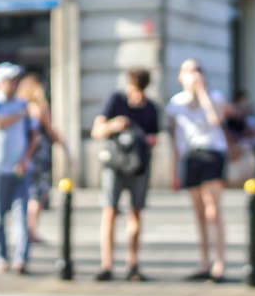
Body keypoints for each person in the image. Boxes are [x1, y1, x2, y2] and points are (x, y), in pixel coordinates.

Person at [90, 67, 160, 282]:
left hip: (138, 166)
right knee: (109, 211)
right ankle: (107, 264)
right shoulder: (115, 101)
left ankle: (133, 264)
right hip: (115, 164)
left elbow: (154, 139)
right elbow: (96, 131)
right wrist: (115, 125)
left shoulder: (151, 108)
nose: (136, 96)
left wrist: (140, 138)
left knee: (135, 213)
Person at [166, 59, 230, 283]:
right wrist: (174, 169)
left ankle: (219, 263)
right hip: (191, 156)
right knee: (200, 214)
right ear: (180, 76)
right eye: (188, 70)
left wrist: (201, 92)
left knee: (213, 211)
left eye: (197, 70)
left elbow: (216, 120)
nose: (193, 74)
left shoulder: (214, 97)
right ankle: (204, 263)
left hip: (212, 153)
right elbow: (177, 137)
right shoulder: (176, 103)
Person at [0, 62, 42, 275]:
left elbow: (35, 135)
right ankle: (0, 256)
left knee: (21, 215)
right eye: (8, 80)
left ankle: (21, 259)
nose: (13, 84)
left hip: (20, 168)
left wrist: (25, 159)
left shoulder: (23, 104)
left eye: (15, 80)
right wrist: (19, 114)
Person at [15, 73, 71, 244]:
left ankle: (26, 231)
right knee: (38, 194)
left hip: (23, 153)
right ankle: (31, 230)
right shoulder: (39, 106)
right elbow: (49, 130)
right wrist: (66, 149)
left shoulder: (20, 106)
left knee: (28, 192)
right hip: (39, 153)